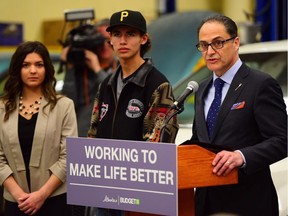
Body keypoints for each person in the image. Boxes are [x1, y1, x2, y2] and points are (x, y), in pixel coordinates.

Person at [191, 14, 287, 216]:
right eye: (203, 45)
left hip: (247, 202)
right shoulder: (202, 89)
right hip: (205, 202)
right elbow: (200, 141)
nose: (210, 51)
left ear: (235, 42)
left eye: (217, 43)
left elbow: (282, 140)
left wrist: (241, 157)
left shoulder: (260, 85)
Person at [87, 9, 179, 215]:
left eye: (130, 34)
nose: (123, 40)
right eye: (117, 34)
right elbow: (92, 134)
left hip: (137, 193)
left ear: (143, 39)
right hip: (103, 190)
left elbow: (159, 145)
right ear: (109, 39)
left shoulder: (157, 84)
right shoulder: (105, 85)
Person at [0, 41, 78, 216]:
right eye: (26, 65)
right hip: (16, 202)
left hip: (55, 200)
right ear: (17, 70)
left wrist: (41, 195)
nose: (33, 70)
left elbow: (69, 157)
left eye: (39, 65)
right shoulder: (2, 108)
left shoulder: (63, 106)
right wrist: (19, 195)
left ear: (47, 69)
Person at [61, 18, 118, 137]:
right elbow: (69, 101)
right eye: (98, 40)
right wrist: (70, 68)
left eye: (108, 40)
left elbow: (115, 93)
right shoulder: (81, 68)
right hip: (83, 132)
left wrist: (97, 69)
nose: (103, 45)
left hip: (112, 133)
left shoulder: (121, 67)